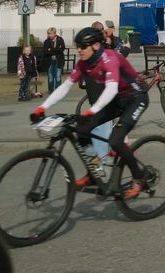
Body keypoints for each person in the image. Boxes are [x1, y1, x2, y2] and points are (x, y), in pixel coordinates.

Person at [29, 27, 149, 200]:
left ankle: (140, 177)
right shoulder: (83, 63)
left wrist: (91, 111)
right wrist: (42, 108)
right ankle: (94, 173)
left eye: (83, 46)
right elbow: (65, 86)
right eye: (78, 46)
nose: (79, 50)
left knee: (115, 139)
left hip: (136, 97)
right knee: (81, 129)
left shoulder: (109, 58)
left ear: (96, 45)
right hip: (116, 99)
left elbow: (111, 88)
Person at [41, 27, 66, 92]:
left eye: (51, 34)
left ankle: (58, 91)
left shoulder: (60, 40)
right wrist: (56, 50)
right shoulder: (46, 41)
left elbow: (62, 49)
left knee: (58, 77)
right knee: (50, 77)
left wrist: (51, 50)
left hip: (59, 61)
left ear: (55, 33)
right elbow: (45, 51)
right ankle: (51, 91)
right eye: (48, 34)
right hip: (49, 61)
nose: (49, 35)